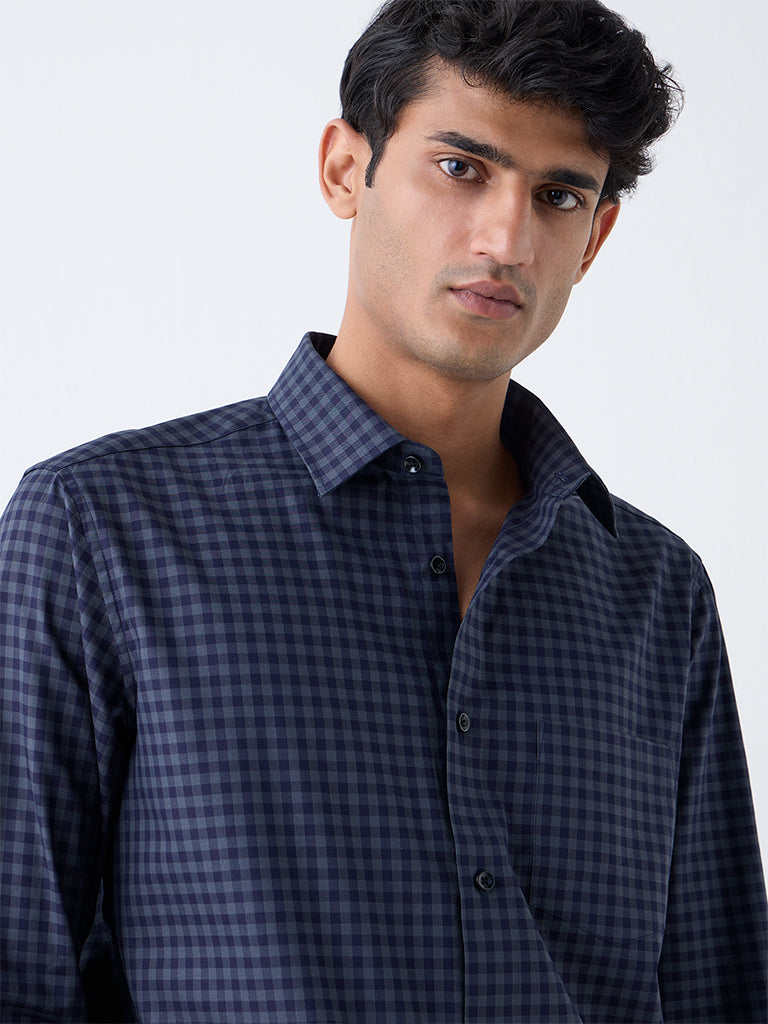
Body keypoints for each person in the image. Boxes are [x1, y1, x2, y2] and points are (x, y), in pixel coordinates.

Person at [1, 0, 766, 1020]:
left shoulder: (657, 591)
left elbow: (720, 990)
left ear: (595, 238)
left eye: (558, 195)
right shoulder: (100, 530)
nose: (507, 237)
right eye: (461, 167)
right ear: (343, 169)